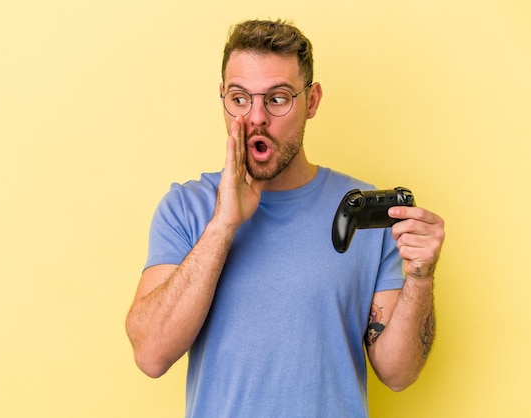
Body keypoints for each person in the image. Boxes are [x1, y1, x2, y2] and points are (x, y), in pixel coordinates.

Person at [126, 19, 445, 417]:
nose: (256, 117)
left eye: (277, 99)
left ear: (311, 101)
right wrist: (224, 225)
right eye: (240, 98)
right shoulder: (185, 208)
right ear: (222, 97)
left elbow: (398, 374)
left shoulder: (363, 213)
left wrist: (420, 278)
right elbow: (150, 355)